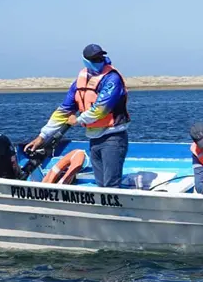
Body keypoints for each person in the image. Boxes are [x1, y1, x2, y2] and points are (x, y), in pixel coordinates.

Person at [24, 44, 130, 188]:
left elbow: (101, 109)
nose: (98, 60)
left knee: (111, 185)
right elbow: (63, 111)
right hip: (94, 139)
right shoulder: (80, 82)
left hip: (113, 138)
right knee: (101, 184)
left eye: (100, 57)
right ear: (85, 60)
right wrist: (42, 137)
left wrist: (78, 120)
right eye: (94, 58)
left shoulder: (112, 79)